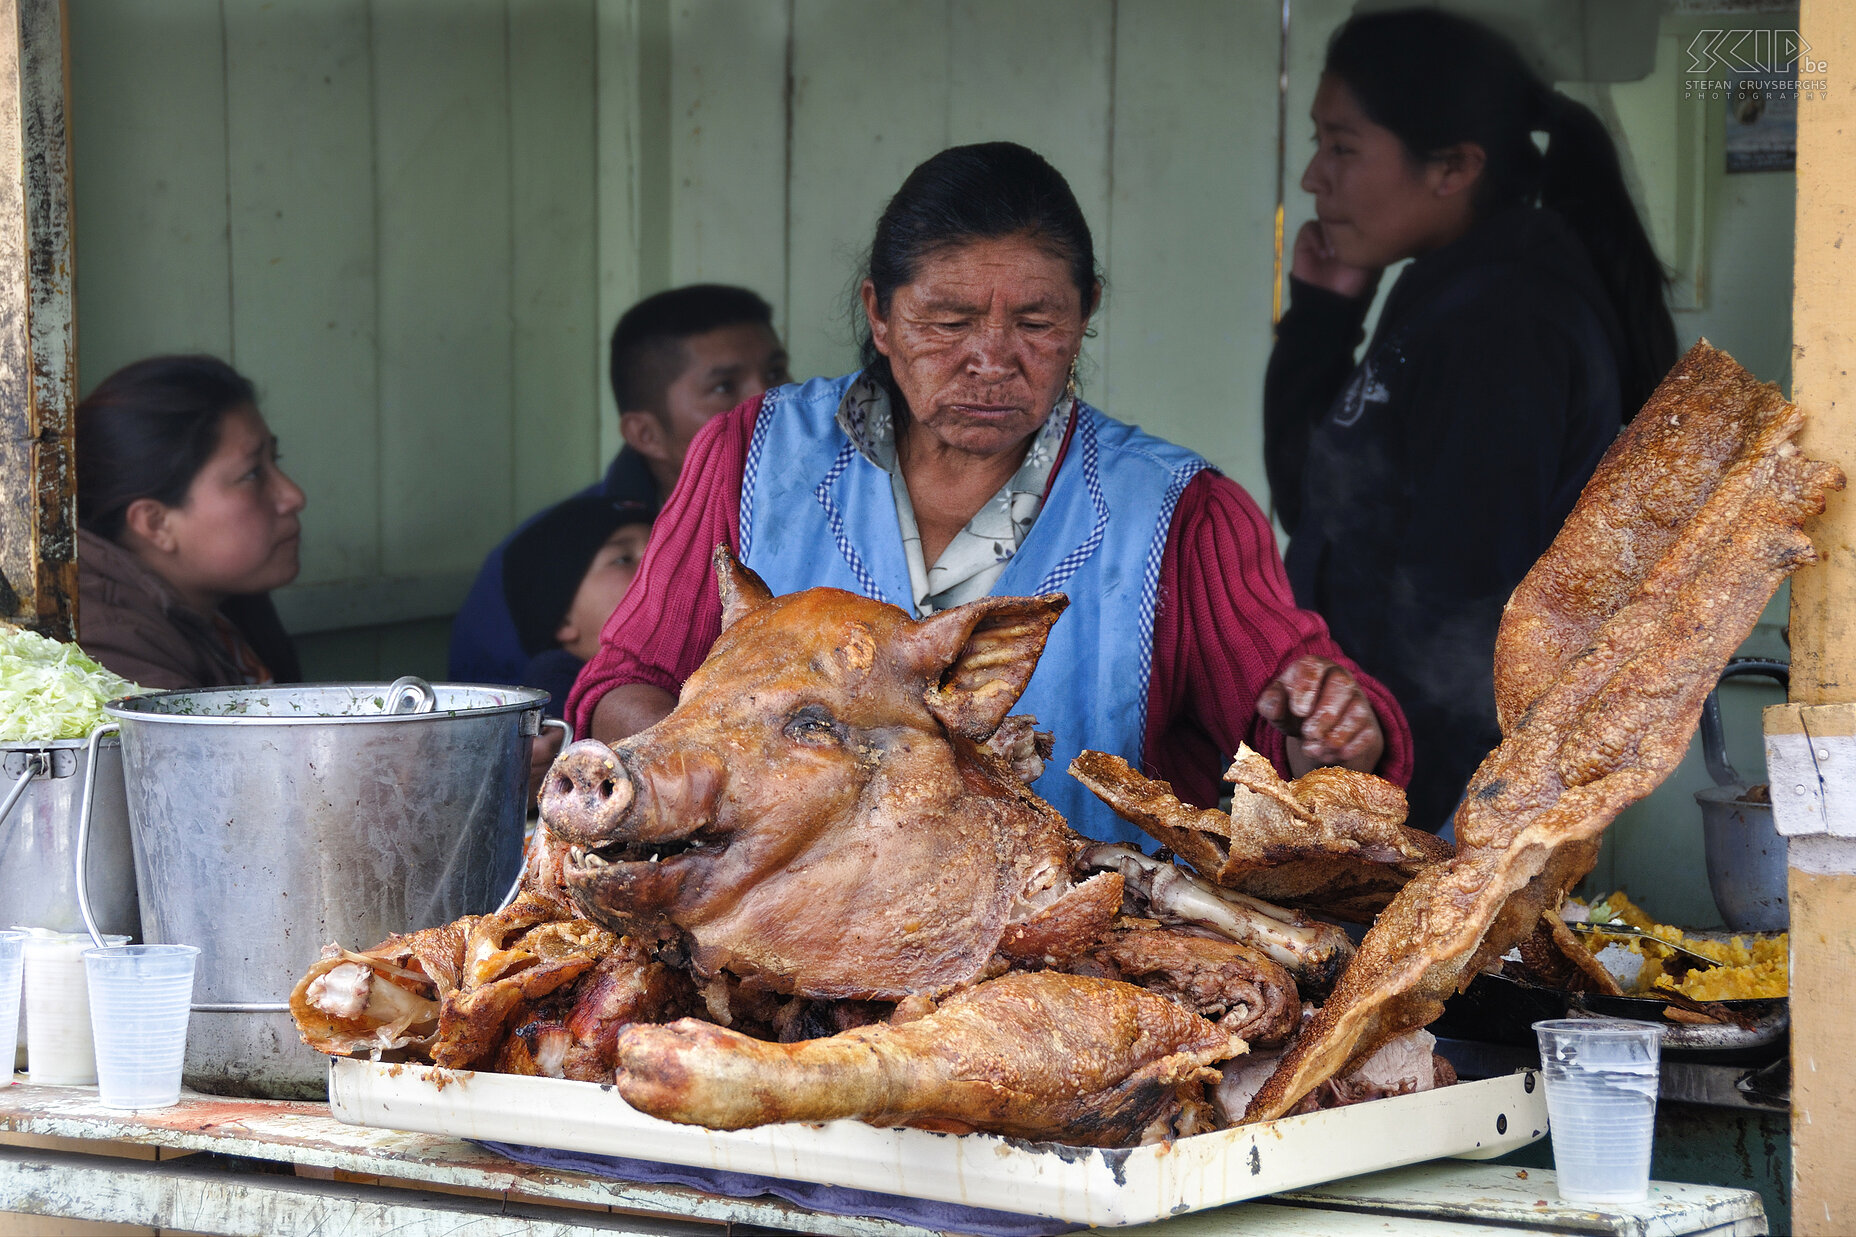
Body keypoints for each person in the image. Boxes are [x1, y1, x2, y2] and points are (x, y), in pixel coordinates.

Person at [568, 141, 1413, 846]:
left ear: (1086, 314)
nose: (993, 358)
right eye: (950, 321)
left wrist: (1333, 733)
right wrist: (700, 783)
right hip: (769, 932)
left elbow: (1294, 745)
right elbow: (630, 681)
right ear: (881, 315)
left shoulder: (1181, 515)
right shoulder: (751, 456)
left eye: (1037, 323)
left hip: (1069, 981)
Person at [1264, 9, 1677, 835]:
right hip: (1391, 765)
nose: (1314, 176)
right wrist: (1321, 318)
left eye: (1343, 147)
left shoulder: (1504, 323)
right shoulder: (1448, 288)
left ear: (1452, 166)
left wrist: (1394, 839)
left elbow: (1464, 628)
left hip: (1440, 794)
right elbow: (1318, 503)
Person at [448, 284, 790, 686]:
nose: (772, 400)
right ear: (646, 434)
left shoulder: (842, 505)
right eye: (723, 387)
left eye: (775, 372)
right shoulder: (545, 559)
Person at [75, 355, 306, 689]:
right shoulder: (108, 651)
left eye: (275, 460)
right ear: (156, 524)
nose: (293, 496)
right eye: (253, 473)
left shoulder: (228, 595)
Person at [503, 495, 652, 720]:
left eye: (662, 551)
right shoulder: (554, 675)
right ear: (564, 620)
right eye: (623, 559)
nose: (655, 563)